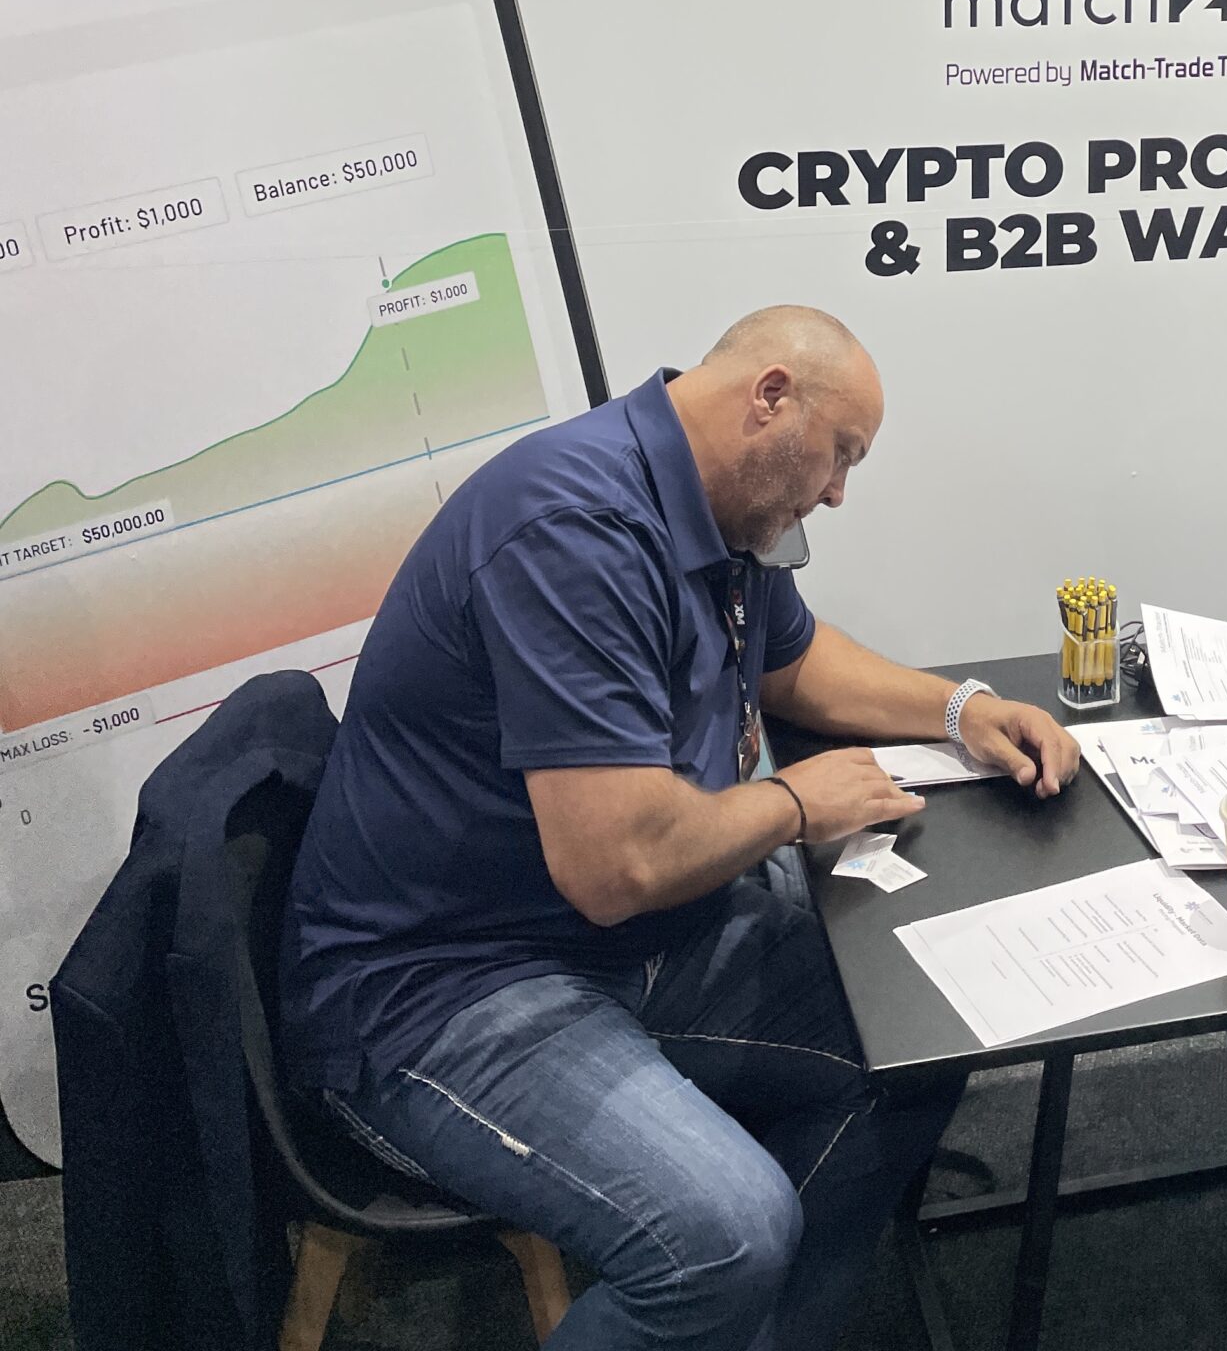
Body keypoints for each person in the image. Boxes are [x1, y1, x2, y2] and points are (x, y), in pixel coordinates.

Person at [280, 305, 1080, 1351]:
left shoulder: (723, 508)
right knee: (723, 1237)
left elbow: (795, 660)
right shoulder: (572, 532)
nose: (839, 491)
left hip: (618, 941)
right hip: (444, 985)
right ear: (771, 398)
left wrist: (960, 708)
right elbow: (619, 864)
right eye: (842, 454)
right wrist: (796, 804)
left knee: (918, 1027)